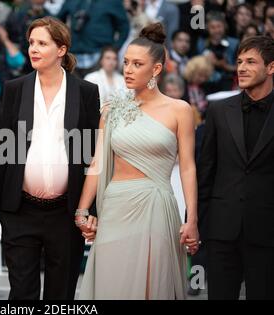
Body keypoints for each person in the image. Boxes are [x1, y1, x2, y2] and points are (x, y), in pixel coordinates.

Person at [78, 22, 200, 300]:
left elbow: (189, 168)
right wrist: (82, 210)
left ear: (156, 69)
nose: (128, 70)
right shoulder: (110, 110)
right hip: (115, 207)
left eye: (137, 63)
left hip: (156, 208)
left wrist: (191, 218)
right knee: (112, 287)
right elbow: (98, 162)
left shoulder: (180, 110)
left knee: (151, 289)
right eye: (125, 62)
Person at [0, 16, 100, 300]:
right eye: (31, 42)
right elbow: (5, 152)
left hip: (66, 214)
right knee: (21, 294)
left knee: (61, 295)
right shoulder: (15, 88)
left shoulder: (86, 92)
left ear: (61, 50)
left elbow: (91, 155)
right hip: (20, 211)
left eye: (42, 43)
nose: (33, 49)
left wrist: (90, 211)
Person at [197, 35, 274, 300]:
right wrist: (195, 221)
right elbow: (205, 172)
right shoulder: (218, 110)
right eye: (239, 61)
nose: (241, 67)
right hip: (222, 229)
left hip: (267, 231)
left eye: (251, 62)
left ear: (271, 67)